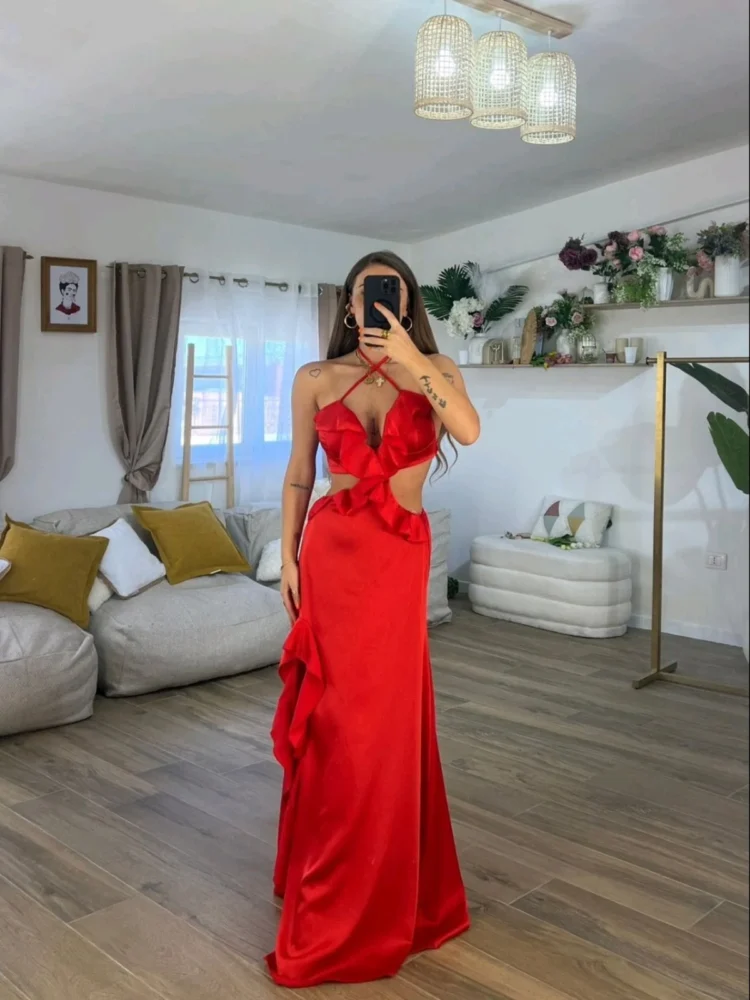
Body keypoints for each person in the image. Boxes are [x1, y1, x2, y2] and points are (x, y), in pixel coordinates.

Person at [266, 250, 480, 987]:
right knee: (333, 722)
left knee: (385, 724)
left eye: (389, 292)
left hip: (396, 559)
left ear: (407, 302)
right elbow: (300, 474)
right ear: (348, 306)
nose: (374, 303)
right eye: (363, 293)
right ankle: (325, 881)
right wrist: (288, 556)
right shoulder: (314, 378)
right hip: (332, 555)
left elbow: (468, 430)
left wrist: (412, 357)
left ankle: (386, 887)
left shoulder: (436, 368)